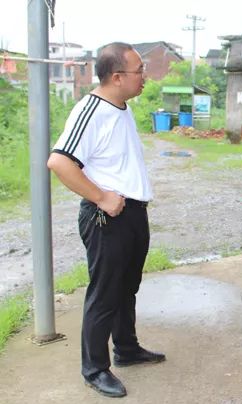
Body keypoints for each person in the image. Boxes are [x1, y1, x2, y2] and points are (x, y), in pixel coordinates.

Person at [47, 42, 165, 398]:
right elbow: (59, 162)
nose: (145, 77)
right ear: (117, 77)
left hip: (132, 214)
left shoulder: (121, 108)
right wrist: (100, 197)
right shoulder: (91, 110)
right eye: (139, 71)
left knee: (126, 288)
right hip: (106, 217)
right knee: (104, 294)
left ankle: (126, 349)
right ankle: (95, 369)